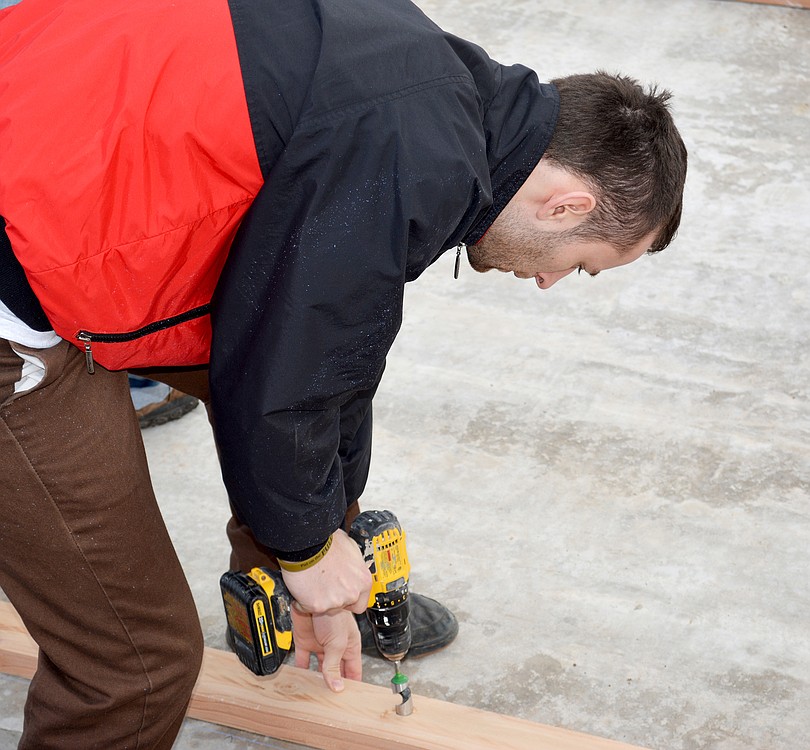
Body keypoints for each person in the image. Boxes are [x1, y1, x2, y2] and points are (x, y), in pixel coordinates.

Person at [0, 0, 687, 746]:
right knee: (138, 666)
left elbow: (329, 350)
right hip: (19, 272)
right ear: (567, 206)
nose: (552, 283)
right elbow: (289, 368)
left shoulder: (424, 88)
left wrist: (326, 544)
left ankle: (297, 596)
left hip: (49, 169)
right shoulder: (412, 154)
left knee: (297, 423)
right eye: (581, 266)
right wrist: (308, 549)